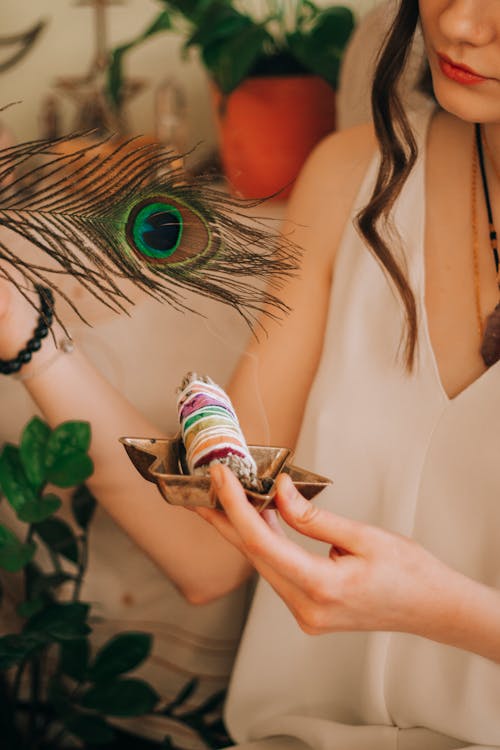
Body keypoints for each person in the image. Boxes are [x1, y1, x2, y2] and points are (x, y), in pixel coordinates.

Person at [1, 1, 500, 748]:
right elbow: (208, 550)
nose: (461, 24)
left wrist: (444, 610)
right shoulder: (353, 178)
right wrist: (24, 329)